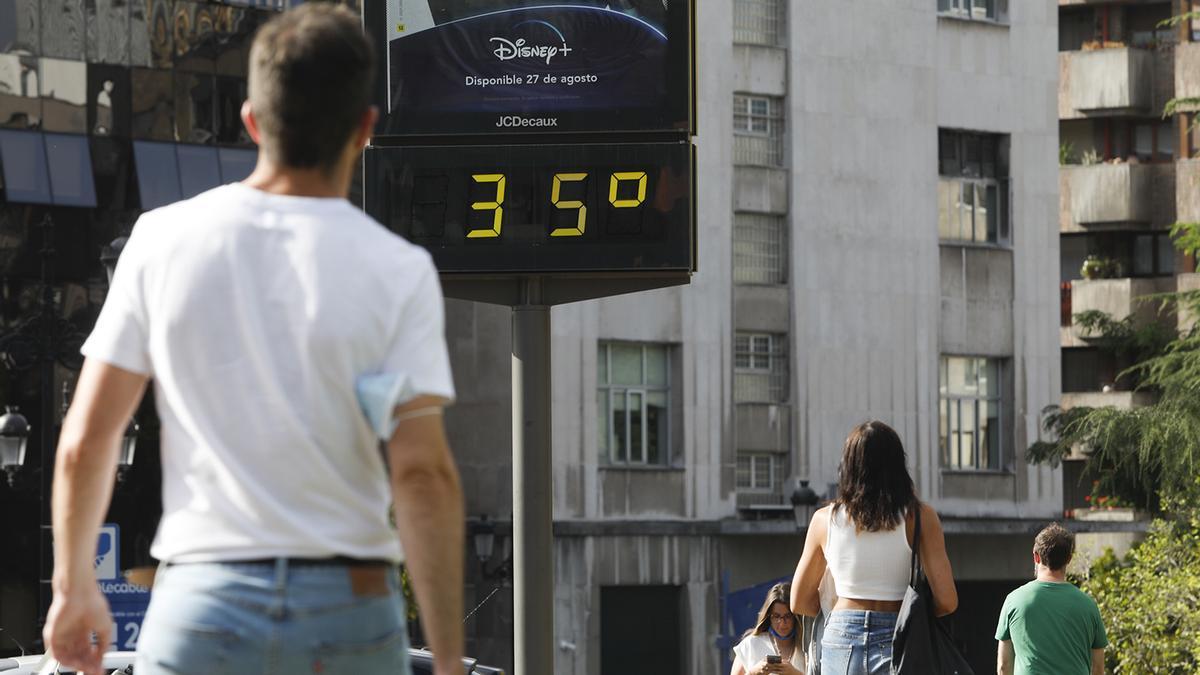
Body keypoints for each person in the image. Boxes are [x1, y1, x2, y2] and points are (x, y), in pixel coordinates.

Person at [41, 5, 465, 675]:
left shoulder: (161, 242)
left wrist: (74, 588)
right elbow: (421, 473)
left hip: (202, 602)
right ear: (364, 129)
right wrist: (445, 659)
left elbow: (86, 442)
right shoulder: (397, 269)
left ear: (250, 121)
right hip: (347, 606)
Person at [788, 420, 958, 675]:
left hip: (841, 634)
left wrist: (838, 613)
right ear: (898, 465)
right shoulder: (920, 517)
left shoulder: (824, 520)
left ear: (849, 467)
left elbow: (798, 601)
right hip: (899, 635)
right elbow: (947, 601)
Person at [995, 523, 1106, 675]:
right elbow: (1098, 668)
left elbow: (1004, 665)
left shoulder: (1014, 600)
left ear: (1036, 556)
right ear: (1069, 559)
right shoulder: (1088, 605)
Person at [732, 582, 806, 675]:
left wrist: (795, 673)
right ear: (768, 616)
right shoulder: (750, 644)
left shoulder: (807, 646)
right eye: (776, 616)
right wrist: (754, 672)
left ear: (796, 617)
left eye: (788, 616)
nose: (782, 623)